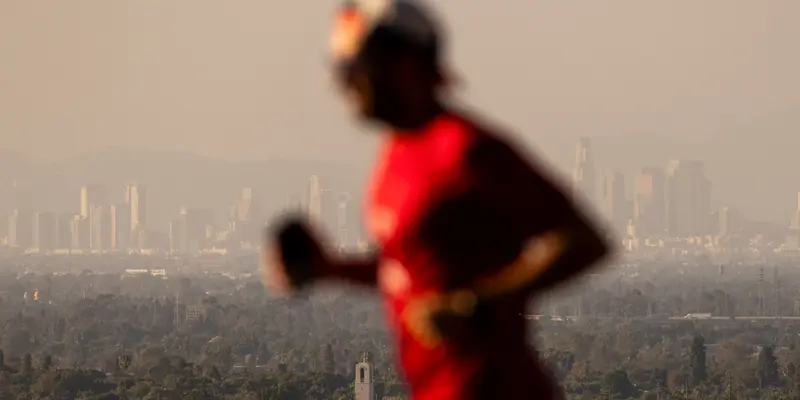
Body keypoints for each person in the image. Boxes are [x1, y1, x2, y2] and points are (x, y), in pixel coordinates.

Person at [264, 1, 609, 399]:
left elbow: (583, 240)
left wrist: (477, 304)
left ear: (404, 63)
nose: (345, 87)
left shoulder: (465, 150)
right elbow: (413, 270)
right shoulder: (395, 157)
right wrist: (329, 269)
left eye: (355, 70)